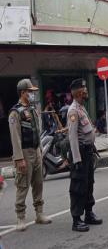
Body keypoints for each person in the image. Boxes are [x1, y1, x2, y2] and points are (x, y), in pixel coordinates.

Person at [8, 79, 52, 231]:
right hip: (24, 153)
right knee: (23, 185)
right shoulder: (15, 112)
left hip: (36, 151)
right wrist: (19, 158)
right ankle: (20, 217)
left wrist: (40, 149)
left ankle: (39, 214)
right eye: (30, 91)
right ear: (23, 93)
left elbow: (37, 132)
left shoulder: (32, 109)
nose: (32, 94)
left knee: (38, 183)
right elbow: (15, 137)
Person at [67, 78, 102, 232]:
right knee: (78, 187)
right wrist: (76, 159)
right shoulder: (73, 110)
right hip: (80, 153)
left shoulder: (82, 108)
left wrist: (93, 147)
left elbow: (86, 131)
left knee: (89, 185)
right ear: (80, 92)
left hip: (87, 151)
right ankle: (76, 220)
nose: (87, 92)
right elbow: (73, 136)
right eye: (85, 90)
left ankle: (89, 213)